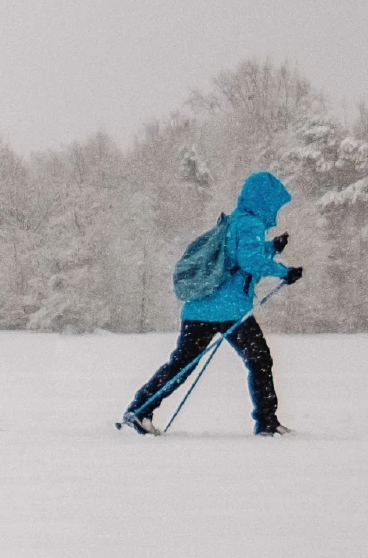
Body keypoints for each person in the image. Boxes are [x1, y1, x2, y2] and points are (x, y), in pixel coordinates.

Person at [120, 170, 303, 437]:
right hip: (229, 309)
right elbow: (248, 262)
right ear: (266, 200)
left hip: (198, 309)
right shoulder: (250, 224)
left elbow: (236, 257)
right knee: (260, 359)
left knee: (181, 364)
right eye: (275, 203)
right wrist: (283, 272)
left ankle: (140, 409)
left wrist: (271, 248)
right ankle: (267, 422)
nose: (276, 210)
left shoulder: (234, 221)